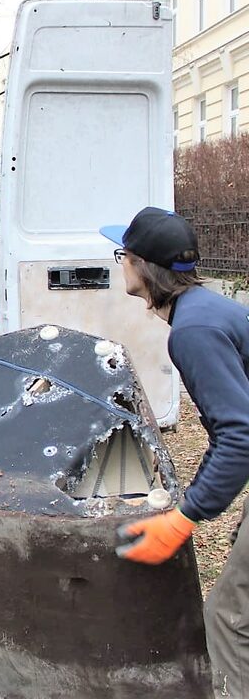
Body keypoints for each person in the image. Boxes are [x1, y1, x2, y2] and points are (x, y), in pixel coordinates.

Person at [100, 206, 249, 698]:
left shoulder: (195, 332)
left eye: (123, 254)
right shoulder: (209, 308)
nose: (120, 263)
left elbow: (239, 435)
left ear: (141, 265)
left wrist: (185, 517)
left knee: (229, 620)